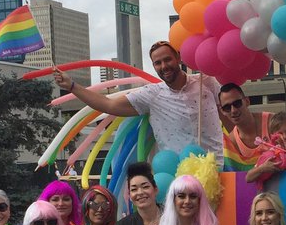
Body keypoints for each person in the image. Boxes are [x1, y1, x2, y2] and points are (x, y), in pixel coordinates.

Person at [52, 40, 223, 167]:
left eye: (167, 59)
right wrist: (72, 86)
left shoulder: (207, 82)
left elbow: (231, 117)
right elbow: (108, 105)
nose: (164, 66)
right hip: (177, 178)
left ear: (178, 57)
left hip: (218, 170)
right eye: (158, 63)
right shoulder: (152, 94)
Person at [219, 83, 271, 171]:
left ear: (247, 101)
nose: (233, 110)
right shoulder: (231, 142)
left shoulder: (272, 122)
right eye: (227, 107)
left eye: (237, 103)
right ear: (222, 111)